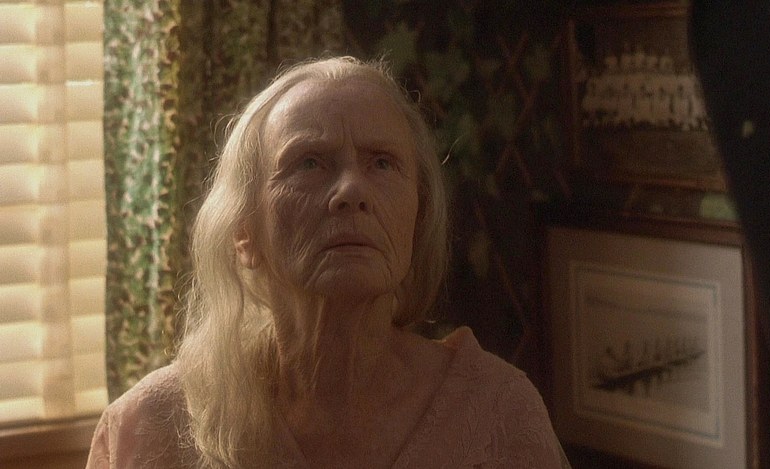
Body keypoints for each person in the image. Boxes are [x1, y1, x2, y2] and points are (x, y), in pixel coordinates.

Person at [85, 56, 570, 468]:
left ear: (416, 218)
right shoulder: (149, 429)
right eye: (309, 163)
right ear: (243, 233)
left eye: (382, 162)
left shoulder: (498, 416)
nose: (352, 191)